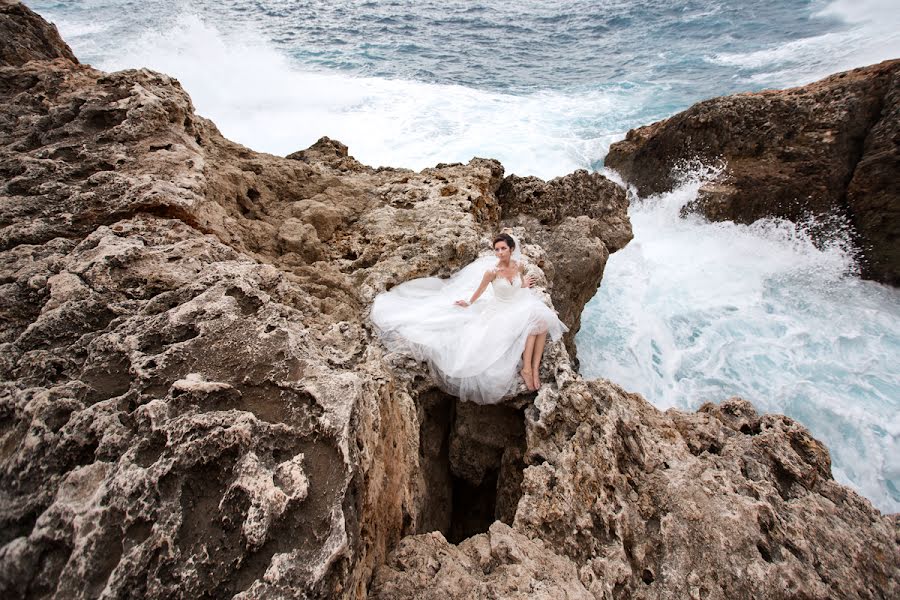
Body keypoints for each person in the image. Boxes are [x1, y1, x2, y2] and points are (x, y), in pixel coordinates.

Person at [371, 233, 567, 404]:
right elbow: (480, 291)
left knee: (542, 321)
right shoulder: (491, 272)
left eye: (503, 248)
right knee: (533, 326)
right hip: (500, 310)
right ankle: (527, 369)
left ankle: (533, 368)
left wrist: (523, 284)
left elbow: (517, 284)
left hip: (516, 303)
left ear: (511, 249)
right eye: (496, 249)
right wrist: (468, 303)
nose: (499, 252)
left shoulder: (518, 266)